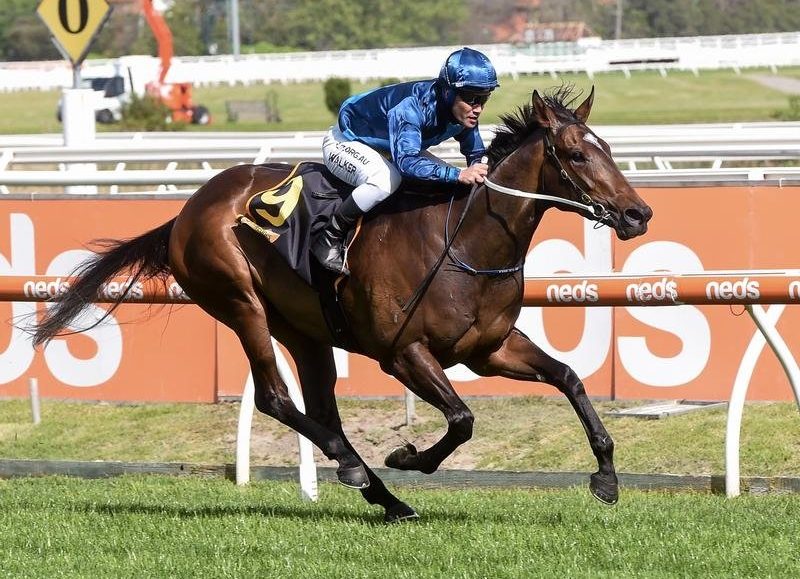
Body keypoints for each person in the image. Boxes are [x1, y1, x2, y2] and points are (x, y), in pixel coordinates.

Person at [310, 47, 500, 276]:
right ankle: (329, 237)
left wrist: (480, 171)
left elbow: (476, 154)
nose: (478, 108)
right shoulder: (412, 107)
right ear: (448, 93)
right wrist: (458, 174)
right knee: (386, 181)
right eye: (471, 99)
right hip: (345, 141)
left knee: (447, 179)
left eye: (484, 98)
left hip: (390, 146)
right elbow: (407, 163)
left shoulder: (464, 113)